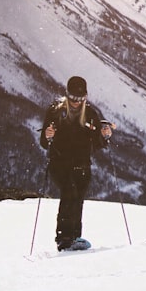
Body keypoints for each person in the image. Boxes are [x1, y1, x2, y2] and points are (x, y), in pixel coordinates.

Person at [38, 75, 114, 251]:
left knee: (77, 196)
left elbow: (97, 143)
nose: (75, 102)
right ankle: (64, 237)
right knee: (70, 192)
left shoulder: (91, 114)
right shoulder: (55, 112)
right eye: (72, 98)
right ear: (67, 94)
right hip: (60, 162)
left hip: (82, 163)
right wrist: (48, 136)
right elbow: (44, 141)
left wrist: (104, 136)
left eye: (80, 99)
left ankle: (74, 237)